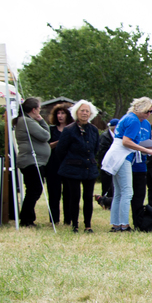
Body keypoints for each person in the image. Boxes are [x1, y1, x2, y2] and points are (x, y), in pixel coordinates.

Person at [106, 97, 152, 233]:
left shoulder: (127, 117)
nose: (149, 114)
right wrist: (147, 150)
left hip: (116, 155)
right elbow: (126, 141)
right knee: (127, 192)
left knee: (118, 192)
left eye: (151, 112)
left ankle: (116, 224)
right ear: (138, 109)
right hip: (124, 156)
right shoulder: (134, 120)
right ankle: (124, 224)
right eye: (147, 111)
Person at [56, 99, 101, 233]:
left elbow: (96, 148)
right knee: (74, 197)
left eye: (87, 111)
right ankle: (74, 224)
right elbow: (60, 150)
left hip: (89, 168)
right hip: (72, 168)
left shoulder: (93, 130)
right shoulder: (69, 130)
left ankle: (88, 225)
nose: (84, 113)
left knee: (88, 197)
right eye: (82, 110)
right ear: (76, 112)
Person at [13, 98, 51, 227]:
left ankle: (27, 218)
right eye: (39, 109)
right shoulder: (26, 121)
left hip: (34, 161)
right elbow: (45, 135)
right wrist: (41, 120)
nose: (39, 112)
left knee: (33, 189)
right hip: (31, 161)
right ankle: (26, 219)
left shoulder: (24, 120)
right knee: (34, 190)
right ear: (34, 110)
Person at [45, 103, 72, 225]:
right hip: (53, 164)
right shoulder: (50, 130)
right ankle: (54, 219)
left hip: (68, 164)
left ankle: (68, 219)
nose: (60, 116)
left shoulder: (72, 129)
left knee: (69, 193)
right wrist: (59, 142)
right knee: (54, 192)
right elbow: (47, 146)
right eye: (58, 113)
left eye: (63, 113)